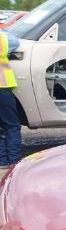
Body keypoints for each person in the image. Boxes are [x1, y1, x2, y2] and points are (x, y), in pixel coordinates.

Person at [0, 28, 21, 174]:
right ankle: (14, 162)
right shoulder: (3, 37)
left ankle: (1, 161)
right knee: (11, 126)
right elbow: (15, 41)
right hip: (2, 85)